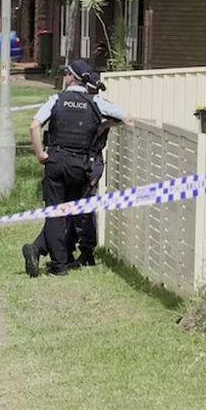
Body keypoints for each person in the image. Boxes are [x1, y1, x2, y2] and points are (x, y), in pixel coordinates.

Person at [21, 60, 127, 277]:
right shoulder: (95, 102)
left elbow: (34, 125)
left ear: (70, 77)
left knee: (55, 214)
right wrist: (103, 125)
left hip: (56, 161)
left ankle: (58, 263)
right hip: (81, 166)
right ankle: (56, 257)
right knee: (68, 213)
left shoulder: (56, 100)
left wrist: (41, 154)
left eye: (65, 74)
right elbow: (126, 117)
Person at [63, 71, 124, 268]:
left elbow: (124, 117)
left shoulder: (98, 105)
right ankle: (69, 249)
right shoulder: (87, 104)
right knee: (73, 207)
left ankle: (87, 252)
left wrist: (104, 125)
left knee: (85, 209)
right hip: (80, 161)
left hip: (92, 163)